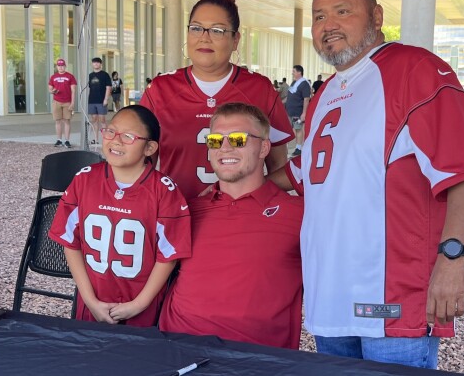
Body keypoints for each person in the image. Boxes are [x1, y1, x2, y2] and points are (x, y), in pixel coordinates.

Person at [269, 0, 464, 369]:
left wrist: (453, 258)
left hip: (390, 299)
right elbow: (305, 171)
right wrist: (233, 179)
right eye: (319, 16)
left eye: (343, 11)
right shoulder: (325, 91)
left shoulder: (416, 70)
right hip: (330, 295)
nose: (328, 26)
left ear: (376, 16)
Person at [159, 103, 303, 349]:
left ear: (264, 148)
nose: (225, 147)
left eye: (238, 139)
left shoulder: (300, 214)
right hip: (177, 348)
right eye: (215, 140)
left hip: (257, 358)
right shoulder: (187, 210)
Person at [139, 0, 293, 200]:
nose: (204, 37)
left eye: (217, 30)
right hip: (176, 215)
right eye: (196, 28)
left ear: (235, 40)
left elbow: (278, 163)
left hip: (240, 218)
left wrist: (247, 195)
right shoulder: (160, 89)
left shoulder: (260, 89)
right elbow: (143, 164)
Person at [49, 106, 192, 327]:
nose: (116, 141)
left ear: (150, 147)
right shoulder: (84, 180)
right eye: (111, 132)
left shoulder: (164, 191)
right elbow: (71, 242)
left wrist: (138, 304)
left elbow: (168, 255)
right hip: (91, 302)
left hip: (143, 309)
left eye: (128, 136)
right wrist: (90, 300)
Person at [49, 58, 77, 148]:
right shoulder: (53, 77)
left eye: (62, 66)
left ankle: (67, 140)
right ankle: (59, 140)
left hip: (67, 102)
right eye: (59, 66)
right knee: (57, 121)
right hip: (57, 101)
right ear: (57, 67)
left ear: (65, 66)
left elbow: (73, 90)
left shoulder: (70, 76)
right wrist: (53, 91)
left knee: (67, 121)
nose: (60, 67)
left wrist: (72, 103)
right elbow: (50, 88)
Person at [285, 65, 311, 156]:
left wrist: (304, 113)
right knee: (292, 130)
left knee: (298, 129)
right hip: (290, 111)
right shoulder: (293, 83)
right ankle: (293, 147)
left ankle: (298, 148)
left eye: (294, 71)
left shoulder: (304, 84)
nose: (292, 73)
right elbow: (289, 95)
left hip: (297, 112)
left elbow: (306, 99)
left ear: (299, 72)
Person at [87, 57, 113, 145]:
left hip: (101, 100)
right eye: (94, 63)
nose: (96, 64)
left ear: (100, 64)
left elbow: (108, 87)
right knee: (94, 120)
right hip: (92, 100)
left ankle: (105, 139)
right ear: (92, 64)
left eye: (97, 63)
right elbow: (90, 88)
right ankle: (96, 139)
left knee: (102, 120)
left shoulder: (105, 75)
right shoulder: (90, 75)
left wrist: (106, 99)